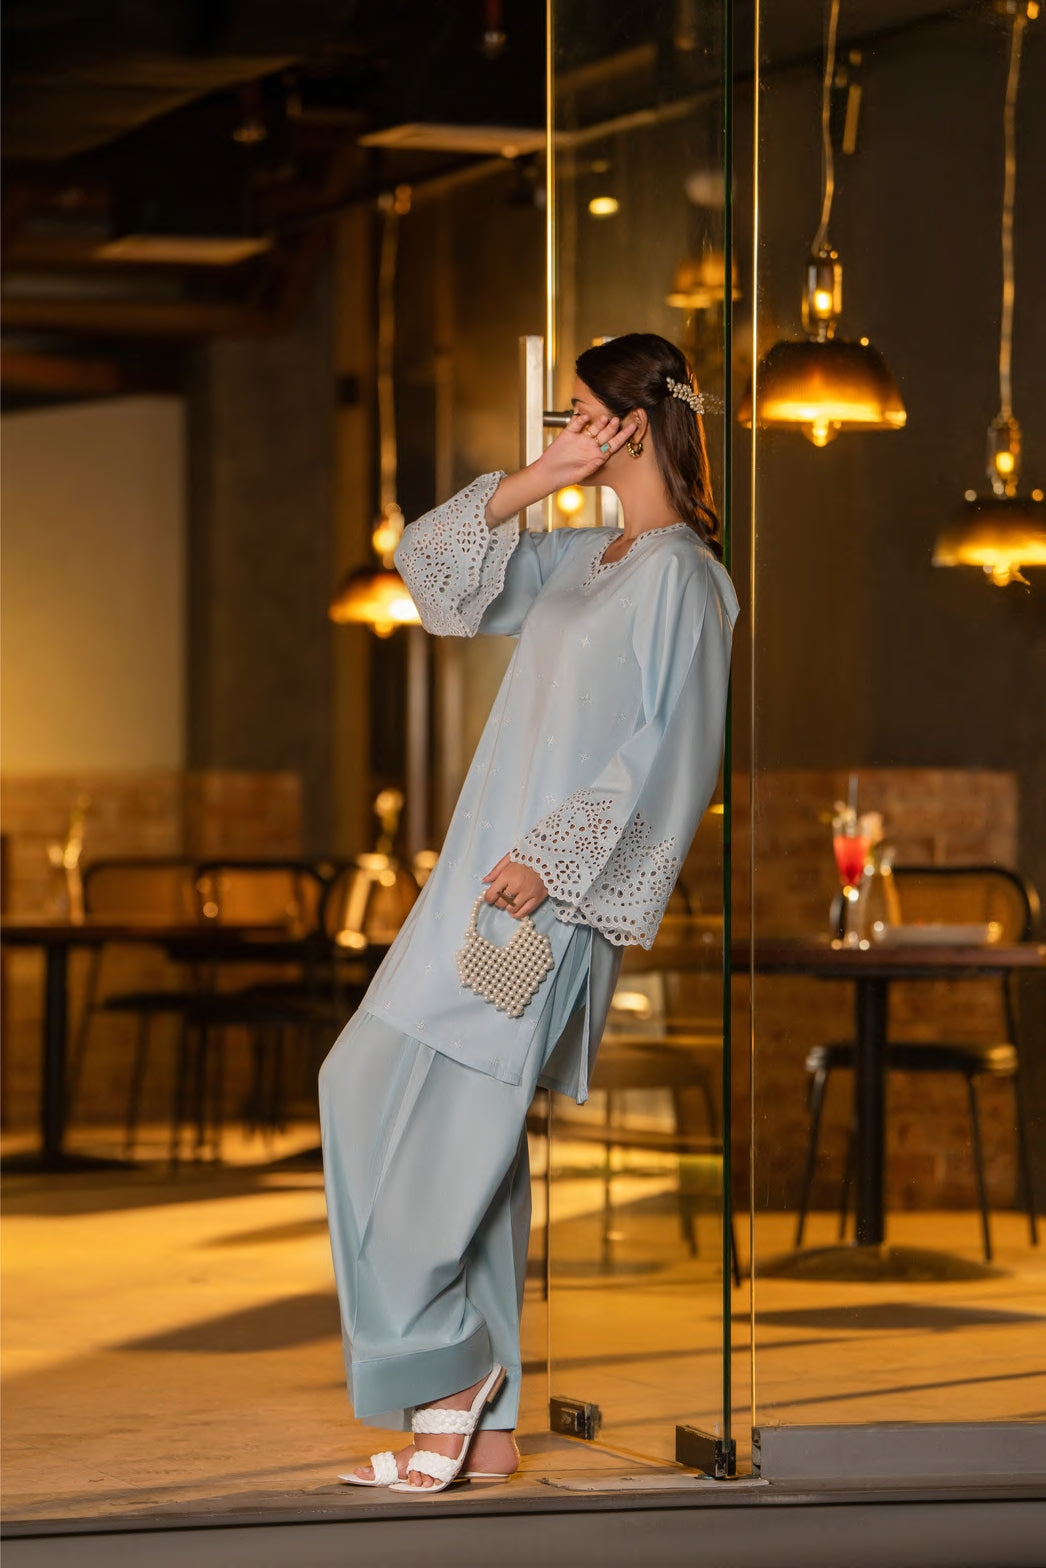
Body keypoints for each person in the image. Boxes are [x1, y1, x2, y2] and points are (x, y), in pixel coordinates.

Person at [319, 332, 739, 1494]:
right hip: (473, 885)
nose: (561, 431)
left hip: (540, 903)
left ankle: (447, 1374)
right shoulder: (577, 557)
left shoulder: (686, 579)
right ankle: (485, 1418)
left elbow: (672, 753)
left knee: (448, 1134)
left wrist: (551, 864)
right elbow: (429, 571)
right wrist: (542, 477)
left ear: (629, 422)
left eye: (574, 415)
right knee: (403, 1112)